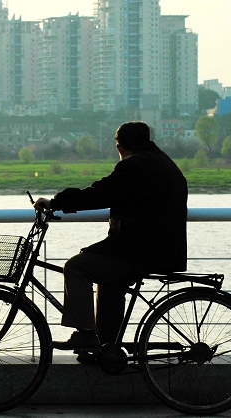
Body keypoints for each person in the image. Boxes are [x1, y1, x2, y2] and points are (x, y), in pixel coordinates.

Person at [34, 121, 188, 353]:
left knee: (76, 267)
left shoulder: (134, 166)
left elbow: (100, 194)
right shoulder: (161, 160)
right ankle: (106, 350)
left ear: (120, 146)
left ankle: (86, 335)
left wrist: (55, 203)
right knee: (109, 284)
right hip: (162, 248)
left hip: (140, 249)